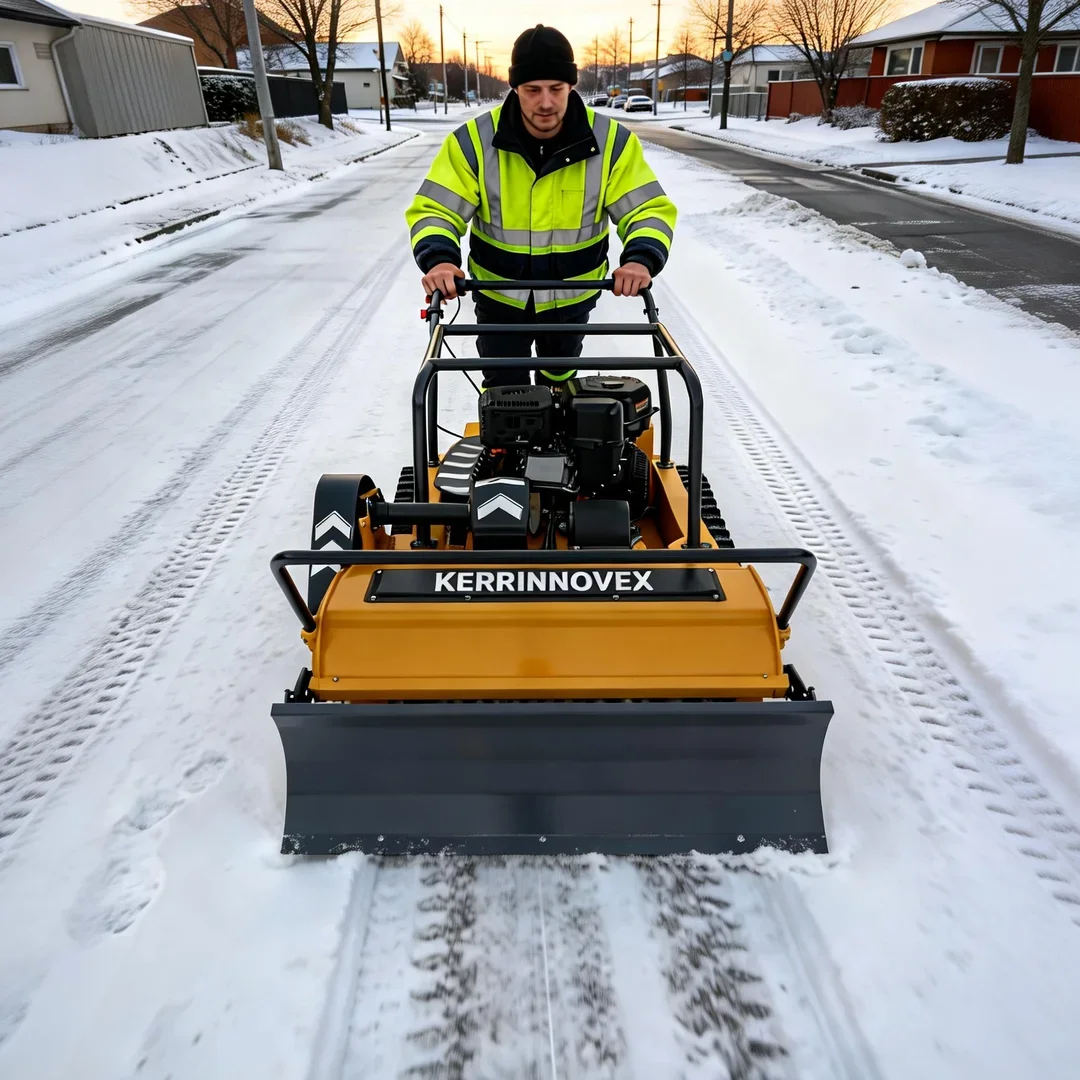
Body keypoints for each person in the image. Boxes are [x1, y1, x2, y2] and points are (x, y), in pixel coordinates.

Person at [405, 24, 678, 387]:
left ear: (571, 86)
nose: (546, 102)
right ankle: (506, 442)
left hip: (571, 297)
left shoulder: (612, 143)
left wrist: (639, 259)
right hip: (497, 295)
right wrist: (440, 260)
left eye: (556, 89)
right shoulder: (473, 142)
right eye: (533, 90)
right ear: (515, 87)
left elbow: (648, 210)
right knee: (506, 391)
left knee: (561, 381)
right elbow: (436, 210)